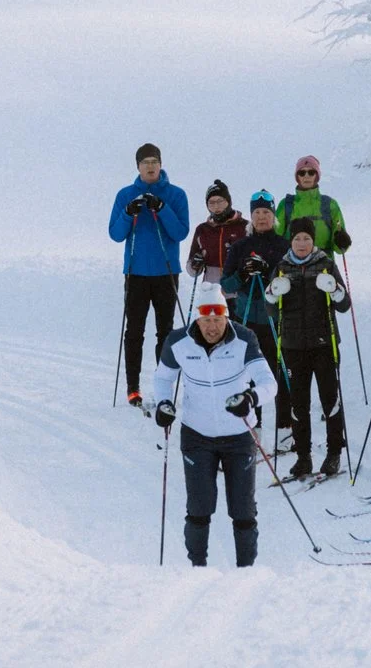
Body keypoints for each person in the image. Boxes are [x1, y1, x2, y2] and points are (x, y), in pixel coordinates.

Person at [148, 288, 275, 567]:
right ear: (197, 319)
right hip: (197, 434)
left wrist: (250, 398)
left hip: (239, 435)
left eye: (218, 320)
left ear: (226, 318)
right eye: (207, 320)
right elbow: (162, 378)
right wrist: (163, 404)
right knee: (199, 507)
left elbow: (269, 383)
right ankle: (197, 568)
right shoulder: (178, 341)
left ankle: (246, 570)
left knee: (243, 509)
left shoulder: (244, 338)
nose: (212, 327)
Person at [267, 219, 350, 478]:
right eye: (297, 239)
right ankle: (303, 457)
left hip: (324, 344)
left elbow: (344, 304)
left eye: (306, 239)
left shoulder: (326, 264)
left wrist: (335, 290)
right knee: (297, 403)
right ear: (290, 241)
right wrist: (271, 294)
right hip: (292, 346)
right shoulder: (282, 267)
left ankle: (334, 452)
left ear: (313, 240)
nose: (302, 244)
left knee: (330, 400)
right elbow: (270, 309)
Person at [109, 143, 191, 405]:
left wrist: (161, 208)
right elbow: (115, 234)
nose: (151, 166)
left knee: (165, 333)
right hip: (136, 273)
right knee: (134, 331)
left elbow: (180, 233)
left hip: (166, 272)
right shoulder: (126, 195)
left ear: (161, 164)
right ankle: (133, 388)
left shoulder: (176, 195)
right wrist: (128, 213)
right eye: (145, 162)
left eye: (154, 161)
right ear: (138, 166)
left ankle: (163, 388)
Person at [225, 191, 293, 438]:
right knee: (249, 374)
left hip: (274, 318)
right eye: (257, 213)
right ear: (251, 216)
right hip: (246, 319)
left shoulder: (284, 245)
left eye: (266, 212)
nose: (262, 217)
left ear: (273, 215)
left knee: (279, 373)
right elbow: (226, 285)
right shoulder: (241, 246)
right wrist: (242, 275)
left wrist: (267, 274)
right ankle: (255, 426)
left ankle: (286, 427)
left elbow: (289, 282)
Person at [187, 182, 247, 315]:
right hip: (211, 293)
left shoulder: (244, 227)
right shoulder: (202, 230)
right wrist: (196, 264)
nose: (216, 206)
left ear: (228, 201)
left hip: (238, 292)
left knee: (238, 332)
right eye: (211, 203)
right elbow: (191, 269)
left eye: (220, 201)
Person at [278, 156, 353, 256]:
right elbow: (274, 238)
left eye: (311, 172)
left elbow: (339, 249)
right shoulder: (286, 205)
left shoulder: (330, 205)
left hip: (324, 265)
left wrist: (342, 241)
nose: (306, 176)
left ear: (317, 176)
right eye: (302, 173)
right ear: (297, 177)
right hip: (292, 266)